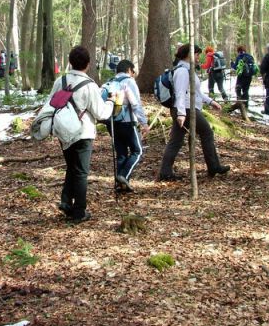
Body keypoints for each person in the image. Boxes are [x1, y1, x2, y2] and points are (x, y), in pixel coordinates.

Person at [53, 46, 114, 223]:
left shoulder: (61, 81)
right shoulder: (89, 85)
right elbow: (101, 113)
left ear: (70, 62)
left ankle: (66, 201)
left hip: (63, 130)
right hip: (83, 132)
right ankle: (79, 211)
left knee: (72, 167)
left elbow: (52, 103)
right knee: (80, 172)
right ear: (87, 64)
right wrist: (110, 102)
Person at [158, 44, 230, 181]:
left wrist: (210, 101)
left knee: (176, 141)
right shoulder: (182, 72)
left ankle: (165, 172)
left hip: (186, 108)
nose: (199, 57)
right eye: (197, 54)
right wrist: (181, 113)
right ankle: (213, 166)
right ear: (188, 55)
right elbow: (180, 93)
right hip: (186, 109)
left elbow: (196, 92)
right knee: (206, 132)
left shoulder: (188, 70)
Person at [102, 60, 150, 192]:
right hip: (128, 122)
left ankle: (121, 185)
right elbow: (135, 104)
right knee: (137, 151)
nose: (133, 74)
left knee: (122, 154)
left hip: (112, 123)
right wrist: (144, 123)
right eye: (133, 71)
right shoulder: (129, 82)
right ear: (129, 70)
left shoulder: (109, 83)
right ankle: (123, 176)